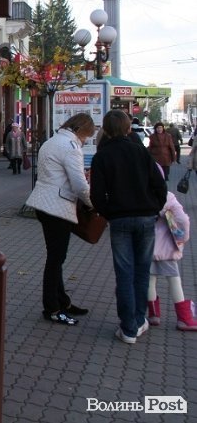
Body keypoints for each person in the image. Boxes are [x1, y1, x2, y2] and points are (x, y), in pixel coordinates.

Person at [90, 110, 166, 344]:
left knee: (124, 273)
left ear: (105, 129)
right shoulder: (140, 151)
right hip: (146, 217)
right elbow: (159, 184)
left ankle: (128, 327)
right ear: (128, 128)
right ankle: (138, 320)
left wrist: (109, 213)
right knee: (142, 272)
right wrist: (155, 208)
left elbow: (96, 195)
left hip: (120, 219)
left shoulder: (102, 156)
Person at [25, 113, 96, 326]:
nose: (85, 140)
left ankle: (62, 301)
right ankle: (53, 308)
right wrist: (92, 204)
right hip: (57, 207)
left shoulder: (52, 141)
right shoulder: (70, 147)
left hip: (43, 203)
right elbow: (79, 184)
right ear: (81, 130)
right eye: (86, 136)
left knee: (56, 257)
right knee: (56, 259)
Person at [147, 166, 197, 331]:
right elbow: (183, 220)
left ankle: (154, 315)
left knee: (150, 280)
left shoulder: (141, 196)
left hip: (147, 247)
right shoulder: (167, 197)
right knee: (174, 280)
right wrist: (183, 238)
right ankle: (184, 318)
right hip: (167, 249)